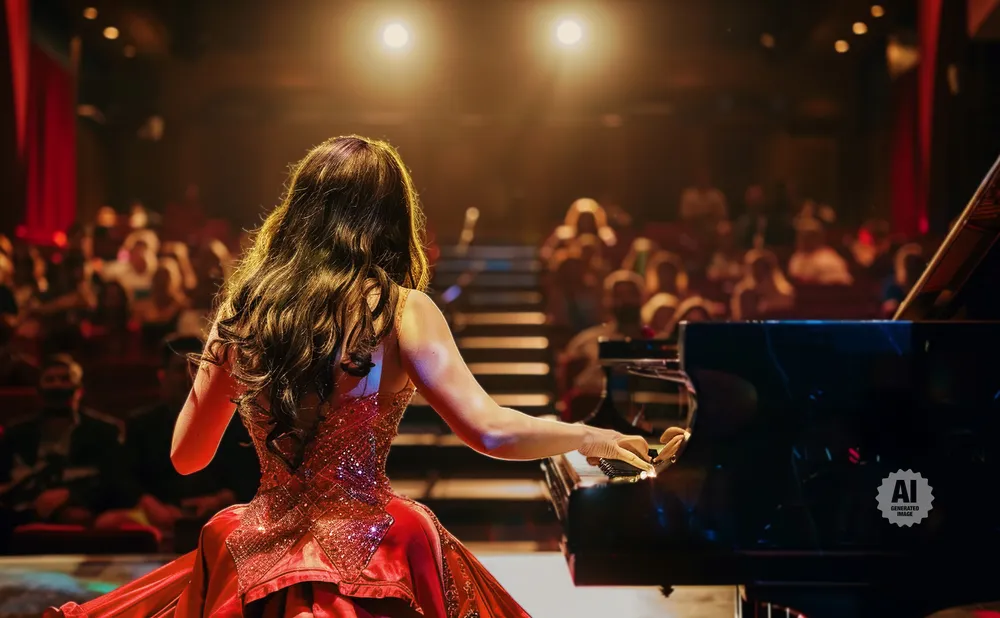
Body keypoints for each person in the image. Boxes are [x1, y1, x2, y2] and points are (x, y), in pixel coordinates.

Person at [47, 136, 655, 618]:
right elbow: (489, 431)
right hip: (375, 555)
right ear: (392, 219)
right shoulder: (400, 309)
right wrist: (585, 436)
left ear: (298, 212)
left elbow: (186, 457)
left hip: (253, 554)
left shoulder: (241, 311)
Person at [113, 335, 257, 532]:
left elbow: (250, 473)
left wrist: (221, 499)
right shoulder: (141, 423)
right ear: (162, 375)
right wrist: (150, 505)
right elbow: (123, 476)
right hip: (158, 516)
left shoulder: (236, 422)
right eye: (181, 368)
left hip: (221, 514)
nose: (190, 375)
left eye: (197, 367)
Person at [0, 355, 125, 544]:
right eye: (49, 380)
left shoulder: (104, 430)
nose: (57, 385)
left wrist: (70, 495)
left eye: (65, 379)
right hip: (21, 510)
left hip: (81, 506)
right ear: (39, 389)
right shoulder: (16, 432)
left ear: (79, 390)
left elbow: (115, 480)